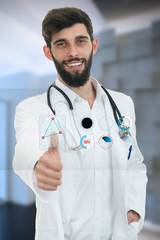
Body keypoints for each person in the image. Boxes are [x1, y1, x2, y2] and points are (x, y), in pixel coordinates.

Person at [13, 7, 147, 240]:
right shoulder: (33, 109)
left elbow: (134, 162)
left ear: (93, 45)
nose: (73, 52)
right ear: (48, 52)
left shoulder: (122, 104)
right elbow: (25, 149)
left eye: (80, 41)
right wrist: (37, 164)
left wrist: (134, 209)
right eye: (61, 44)